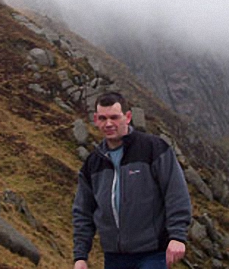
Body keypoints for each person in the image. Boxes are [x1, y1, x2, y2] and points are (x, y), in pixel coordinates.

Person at [72, 92, 192, 269]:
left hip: (152, 254)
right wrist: (80, 256)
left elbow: (175, 193)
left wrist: (177, 236)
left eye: (114, 117)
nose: (109, 124)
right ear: (96, 120)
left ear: (127, 117)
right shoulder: (93, 163)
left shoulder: (154, 148)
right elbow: (83, 211)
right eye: (103, 118)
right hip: (114, 257)